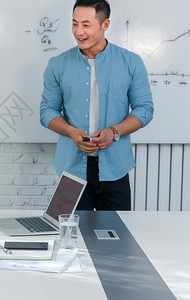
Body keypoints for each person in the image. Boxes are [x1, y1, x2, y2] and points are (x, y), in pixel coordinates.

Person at [40, 0, 153, 211]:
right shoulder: (57, 64)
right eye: (74, 24)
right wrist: (71, 131)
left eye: (86, 24)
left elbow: (144, 109)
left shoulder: (131, 62)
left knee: (116, 238)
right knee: (70, 238)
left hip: (115, 168)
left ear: (105, 24)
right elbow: (47, 111)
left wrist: (114, 132)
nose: (78, 32)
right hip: (71, 169)